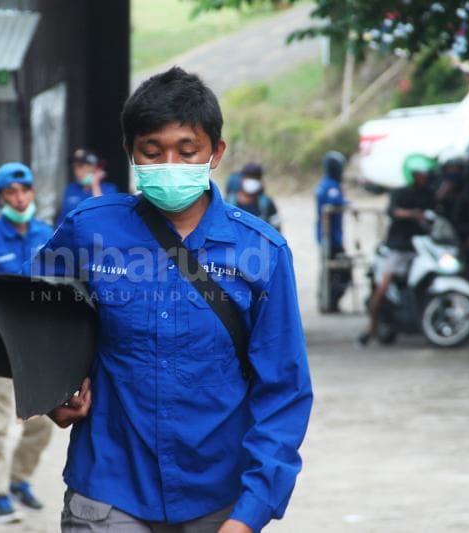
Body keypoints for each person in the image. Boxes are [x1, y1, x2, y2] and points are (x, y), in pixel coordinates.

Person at [31, 67, 312, 533]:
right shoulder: (88, 230)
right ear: (130, 153)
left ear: (215, 153)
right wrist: (54, 389)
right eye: (152, 151)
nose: (170, 165)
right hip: (109, 487)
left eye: (187, 151)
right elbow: (35, 314)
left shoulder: (262, 252)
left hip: (220, 497)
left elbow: (284, 390)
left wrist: (251, 510)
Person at [0, 162, 54, 524]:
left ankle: (19, 480)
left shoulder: (49, 234)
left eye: (25, 191)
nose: (19, 198)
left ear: (33, 193)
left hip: (36, 346)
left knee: (43, 424)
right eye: (11, 192)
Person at [358, 154, 436, 346]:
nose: (425, 177)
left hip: (422, 246)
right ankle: (371, 326)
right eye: (422, 174)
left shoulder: (428, 194)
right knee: (383, 286)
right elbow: (392, 211)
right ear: (414, 174)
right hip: (398, 248)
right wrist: (413, 214)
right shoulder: (400, 193)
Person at [314, 151, 350, 312]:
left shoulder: (326, 184)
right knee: (339, 271)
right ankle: (329, 302)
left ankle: (328, 301)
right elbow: (335, 202)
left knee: (331, 270)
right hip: (330, 236)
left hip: (330, 235)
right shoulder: (330, 186)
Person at [55, 148, 117, 225]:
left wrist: (95, 184)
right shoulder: (71, 188)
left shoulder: (109, 189)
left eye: (81, 166)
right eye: (75, 167)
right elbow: (62, 220)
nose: (76, 171)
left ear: (94, 167)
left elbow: (103, 215)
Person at [226, 163, 282, 232]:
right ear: (241, 179)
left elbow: (277, 228)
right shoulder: (229, 202)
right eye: (249, 177)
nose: (252, 181)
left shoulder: (266, 203)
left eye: (255, 178)